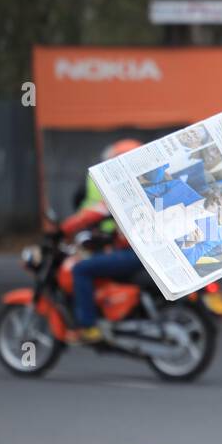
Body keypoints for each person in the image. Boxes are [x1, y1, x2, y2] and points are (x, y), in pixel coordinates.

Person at [65, 139, 144, 345]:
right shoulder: (150, 183)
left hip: (134, 253)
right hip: (143, 251)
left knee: (81, 270)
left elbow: (96, 211)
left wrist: (64, 228)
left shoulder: (125, 190)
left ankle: (88, 327)